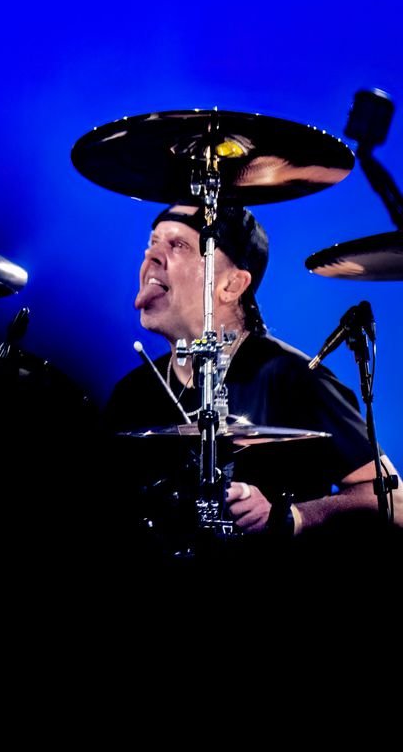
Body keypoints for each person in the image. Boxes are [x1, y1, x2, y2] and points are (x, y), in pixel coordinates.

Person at [105, 202, 387, 541]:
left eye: (177, 245)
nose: (152, 256)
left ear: (232, 285)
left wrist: (295, 515)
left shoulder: (293, 379)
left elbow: (394, 502)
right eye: (152, 243)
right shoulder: (131, 395)